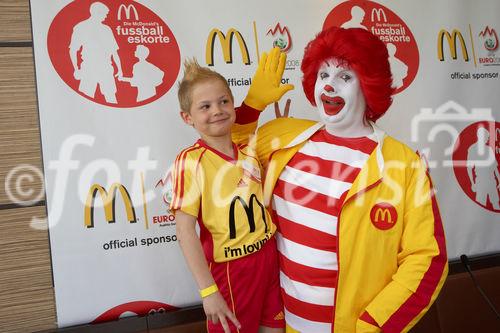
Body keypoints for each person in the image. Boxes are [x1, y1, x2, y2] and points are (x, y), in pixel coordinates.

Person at [234, 27, 448, 332]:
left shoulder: (405, 165)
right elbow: (227, 153)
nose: (329, 86)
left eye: (345, 77)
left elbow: (427, 259)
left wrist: (374, 324)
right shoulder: (282, 135)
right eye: (323, 75)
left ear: (368, 85)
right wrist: (251, 106)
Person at [171, 59, 285, 333]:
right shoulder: (190, 162)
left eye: (224, 102)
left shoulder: (249, 150)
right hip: (232, 270)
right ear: (188, 117)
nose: (218, 111)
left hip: (268, 257)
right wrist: (208, 290)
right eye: (205, 106)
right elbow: (185, 231)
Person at [69, 1, 123, 103]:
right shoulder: (80, 27)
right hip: (89, 67)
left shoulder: (107, 29)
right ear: (97, 13)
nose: (106, 16)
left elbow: (114, 52)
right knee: (85, 97)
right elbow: (73, 49)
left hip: (106, 67)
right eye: (105, 14)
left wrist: (120, 69)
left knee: (111, 97)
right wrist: (76, 69)